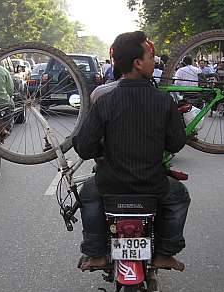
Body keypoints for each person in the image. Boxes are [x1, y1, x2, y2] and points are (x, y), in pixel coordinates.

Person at [72, 31, 191, 271]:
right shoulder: (164, 101)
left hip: (110, 184)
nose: (153, 61)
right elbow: (176, 143)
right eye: (150, 56)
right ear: (137, 63)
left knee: (87, 195)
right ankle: (165, 253)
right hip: (153, 185)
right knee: (180, 198)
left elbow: (85, 148)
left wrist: (101, 149)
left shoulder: (104, 101)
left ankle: (96, 254)